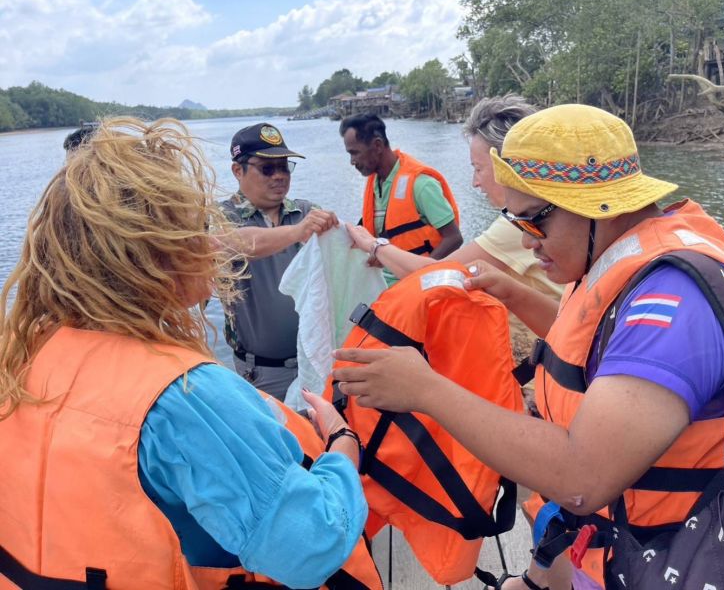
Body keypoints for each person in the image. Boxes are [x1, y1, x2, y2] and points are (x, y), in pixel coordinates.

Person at [331, 104, 724, 589]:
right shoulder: (620, 251)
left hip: (679, 552)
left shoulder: (671, 304)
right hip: (615, 539)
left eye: (533, 222)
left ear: (592, 206)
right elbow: (595, 350)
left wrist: (425, 391)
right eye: (516, 224)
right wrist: (512, 291)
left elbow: (583, 479)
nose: (527, 243)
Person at [0, 118, 371, 589]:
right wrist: (341, 444)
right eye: (195, 228)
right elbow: (311, 545)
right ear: (155, 253)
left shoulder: (23, 355)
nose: (209, 246)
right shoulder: (183, 396)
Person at [345, 95, 562, 373]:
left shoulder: (518, 226)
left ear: (507, 168)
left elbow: (437, 272)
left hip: (541, 373)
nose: (475, 182)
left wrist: (373, 245)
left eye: (478, 168)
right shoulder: (547, 213)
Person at [222, 122, 338, 401]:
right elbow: (238, 243)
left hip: (318, 363)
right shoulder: (221, 218)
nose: (279, 176)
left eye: (284, 167)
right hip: (261, 374)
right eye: (267, 168)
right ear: (238, 171)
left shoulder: (307, 212)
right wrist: (296, 233)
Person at [339, 112, 463, 285]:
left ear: (377, 146)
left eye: (355, 153)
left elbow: (454, 238)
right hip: (384, 285)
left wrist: (419, 276)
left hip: (419, 286)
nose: (352, 161)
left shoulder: (421, 185)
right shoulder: (375, 183)